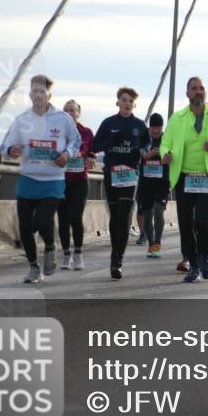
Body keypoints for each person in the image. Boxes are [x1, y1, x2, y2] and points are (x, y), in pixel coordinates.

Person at [0, 75, 81, 283]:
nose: (38, 95)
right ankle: (34, 267)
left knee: (43, 221)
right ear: (30, 94)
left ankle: (51, 248)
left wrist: (67, 155)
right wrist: (12, 150)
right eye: (34, 91)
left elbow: (76, 140)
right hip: (27, 179)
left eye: (42, 91)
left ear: (49, 95)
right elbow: (4, 146)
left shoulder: (63, 119)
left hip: (53, 180)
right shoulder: (22, 120)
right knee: (25, 228)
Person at [161, 77, 208, 283]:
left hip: (207, 177)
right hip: (184, 177)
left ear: (205, 92)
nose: (198, 91)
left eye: (201, 88)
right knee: (185, 224)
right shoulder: (178, 118)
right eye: (194, 88)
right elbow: (165, 143)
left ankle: (205, 255)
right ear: (187, 94)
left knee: (203, 221)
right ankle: (193, 264)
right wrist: (165, 154)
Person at [91, 87, 150, 280]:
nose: (126, 104)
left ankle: (117, 260)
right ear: (118, 102)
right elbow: (95, 146)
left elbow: (147, 144)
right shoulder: (109, 123)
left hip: (130, 175)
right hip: (111, 174)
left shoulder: (139, 125)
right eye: (123, 100)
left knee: (124, 216)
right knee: (115, 217)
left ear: (134, 104)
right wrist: (110, 141)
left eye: (130, 101)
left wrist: (140, 150)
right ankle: (115, 252)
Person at [57, 99, 95, 271]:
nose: (70, 113)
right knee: (63, 219)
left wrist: (91, 156)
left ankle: (78, 253)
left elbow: (93, 149)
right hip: (60, 180)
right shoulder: (56, 133)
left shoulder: (86, 132)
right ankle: (66, 254)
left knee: (75, 216)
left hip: (80, 180)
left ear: (79, 113)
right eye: (66, 111)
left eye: (73, 110)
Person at [138, 113, 170, 259]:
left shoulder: (167, 139)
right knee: (147, 213)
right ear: (149, 128)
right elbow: (137, 154)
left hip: (162, 182)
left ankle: (157, 242)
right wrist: (147, 155)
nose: (155, 131)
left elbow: (173, 156)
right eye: (153, 128)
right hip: (145, 183)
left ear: (162, 127)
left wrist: (165, 157)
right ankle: (151, 244)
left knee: (158, 211)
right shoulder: (144, 139)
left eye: (158, 128)